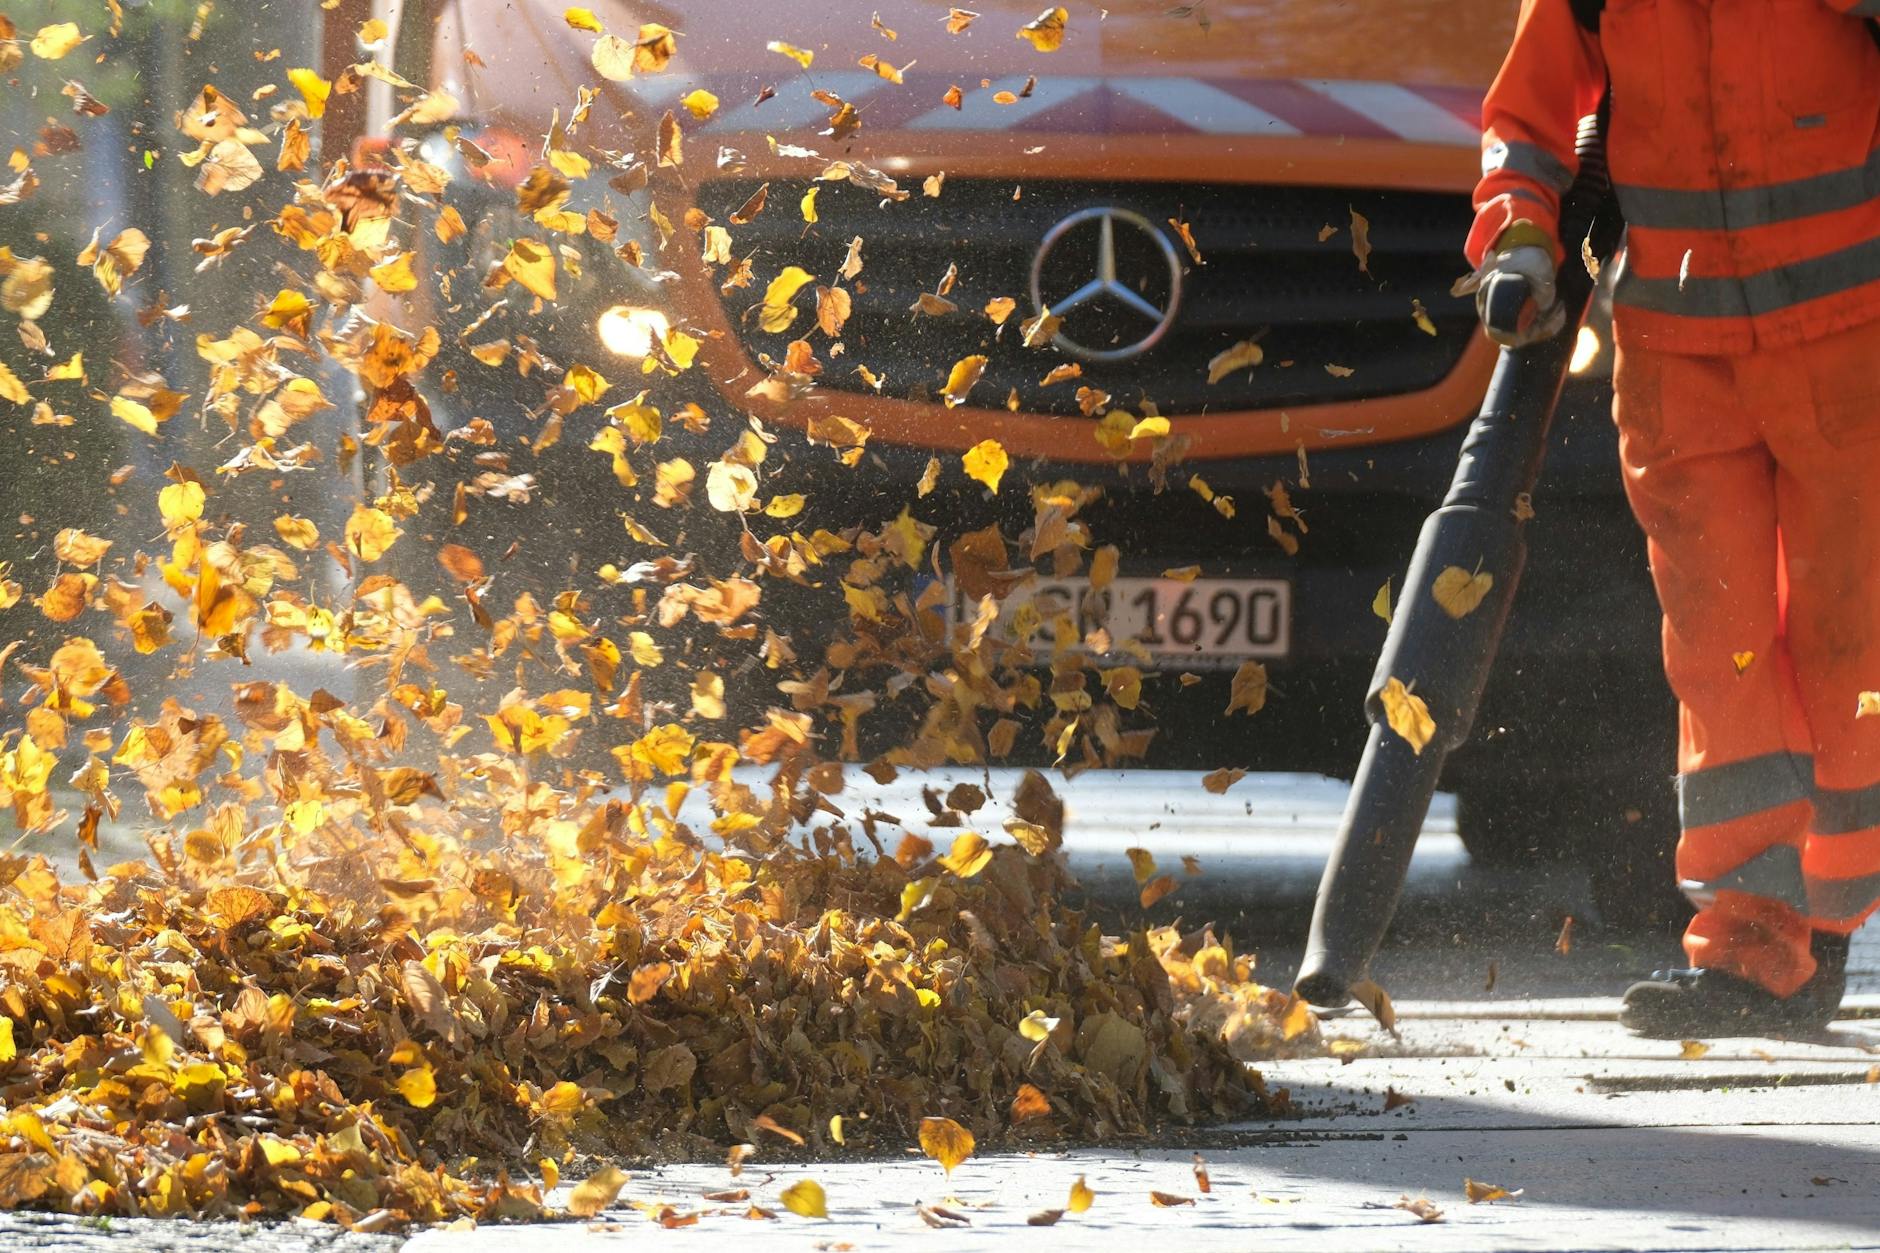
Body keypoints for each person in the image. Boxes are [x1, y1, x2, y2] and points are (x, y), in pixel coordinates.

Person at [1465, 0, 1880, 1036]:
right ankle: (1757, 950)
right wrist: (1517, 231)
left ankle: (1823, 921)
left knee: (1848, 653)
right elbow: (1527, 114)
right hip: (1678, 358)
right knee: (1719, 654)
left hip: (1851, 341)